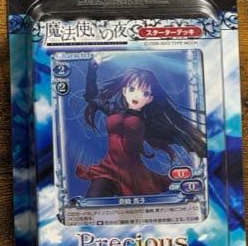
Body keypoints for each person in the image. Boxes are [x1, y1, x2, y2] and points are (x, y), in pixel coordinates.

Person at [75, 57, 206, 199]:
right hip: (108, 168)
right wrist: (92, 68)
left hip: (133, 173)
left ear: (150, 99)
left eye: (145, 93)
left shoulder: (147, 122)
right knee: (94, 200)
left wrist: (197, 147)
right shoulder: (113, 109)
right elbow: (91, 96)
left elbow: (174, 136)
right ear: (124, 91)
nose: (137, 95)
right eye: (132, 89)